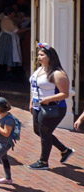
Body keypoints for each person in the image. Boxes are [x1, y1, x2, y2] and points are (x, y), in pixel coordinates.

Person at [28, 42, 75, 170]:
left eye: (42, 55)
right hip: (39, 106)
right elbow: (35, 87)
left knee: (45, 132)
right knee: (38, 131)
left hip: (53, 108)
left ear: (50, 56)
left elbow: (65, 94)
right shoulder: (40, 69)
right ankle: (65, 150)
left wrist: (48, 99)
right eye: (38, 55)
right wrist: (32, 101)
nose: (39, 57)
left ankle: (43, 162)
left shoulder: (58, 73)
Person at [0, 8, 21, 72]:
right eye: (13, 13)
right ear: (9, 13)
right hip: (7, 37)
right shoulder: (7, 20)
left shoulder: (7, 19)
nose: (14, 14)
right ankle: (8, 68)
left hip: (5, 36)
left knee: (2, 50)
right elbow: (16, 30)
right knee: (9, 51)